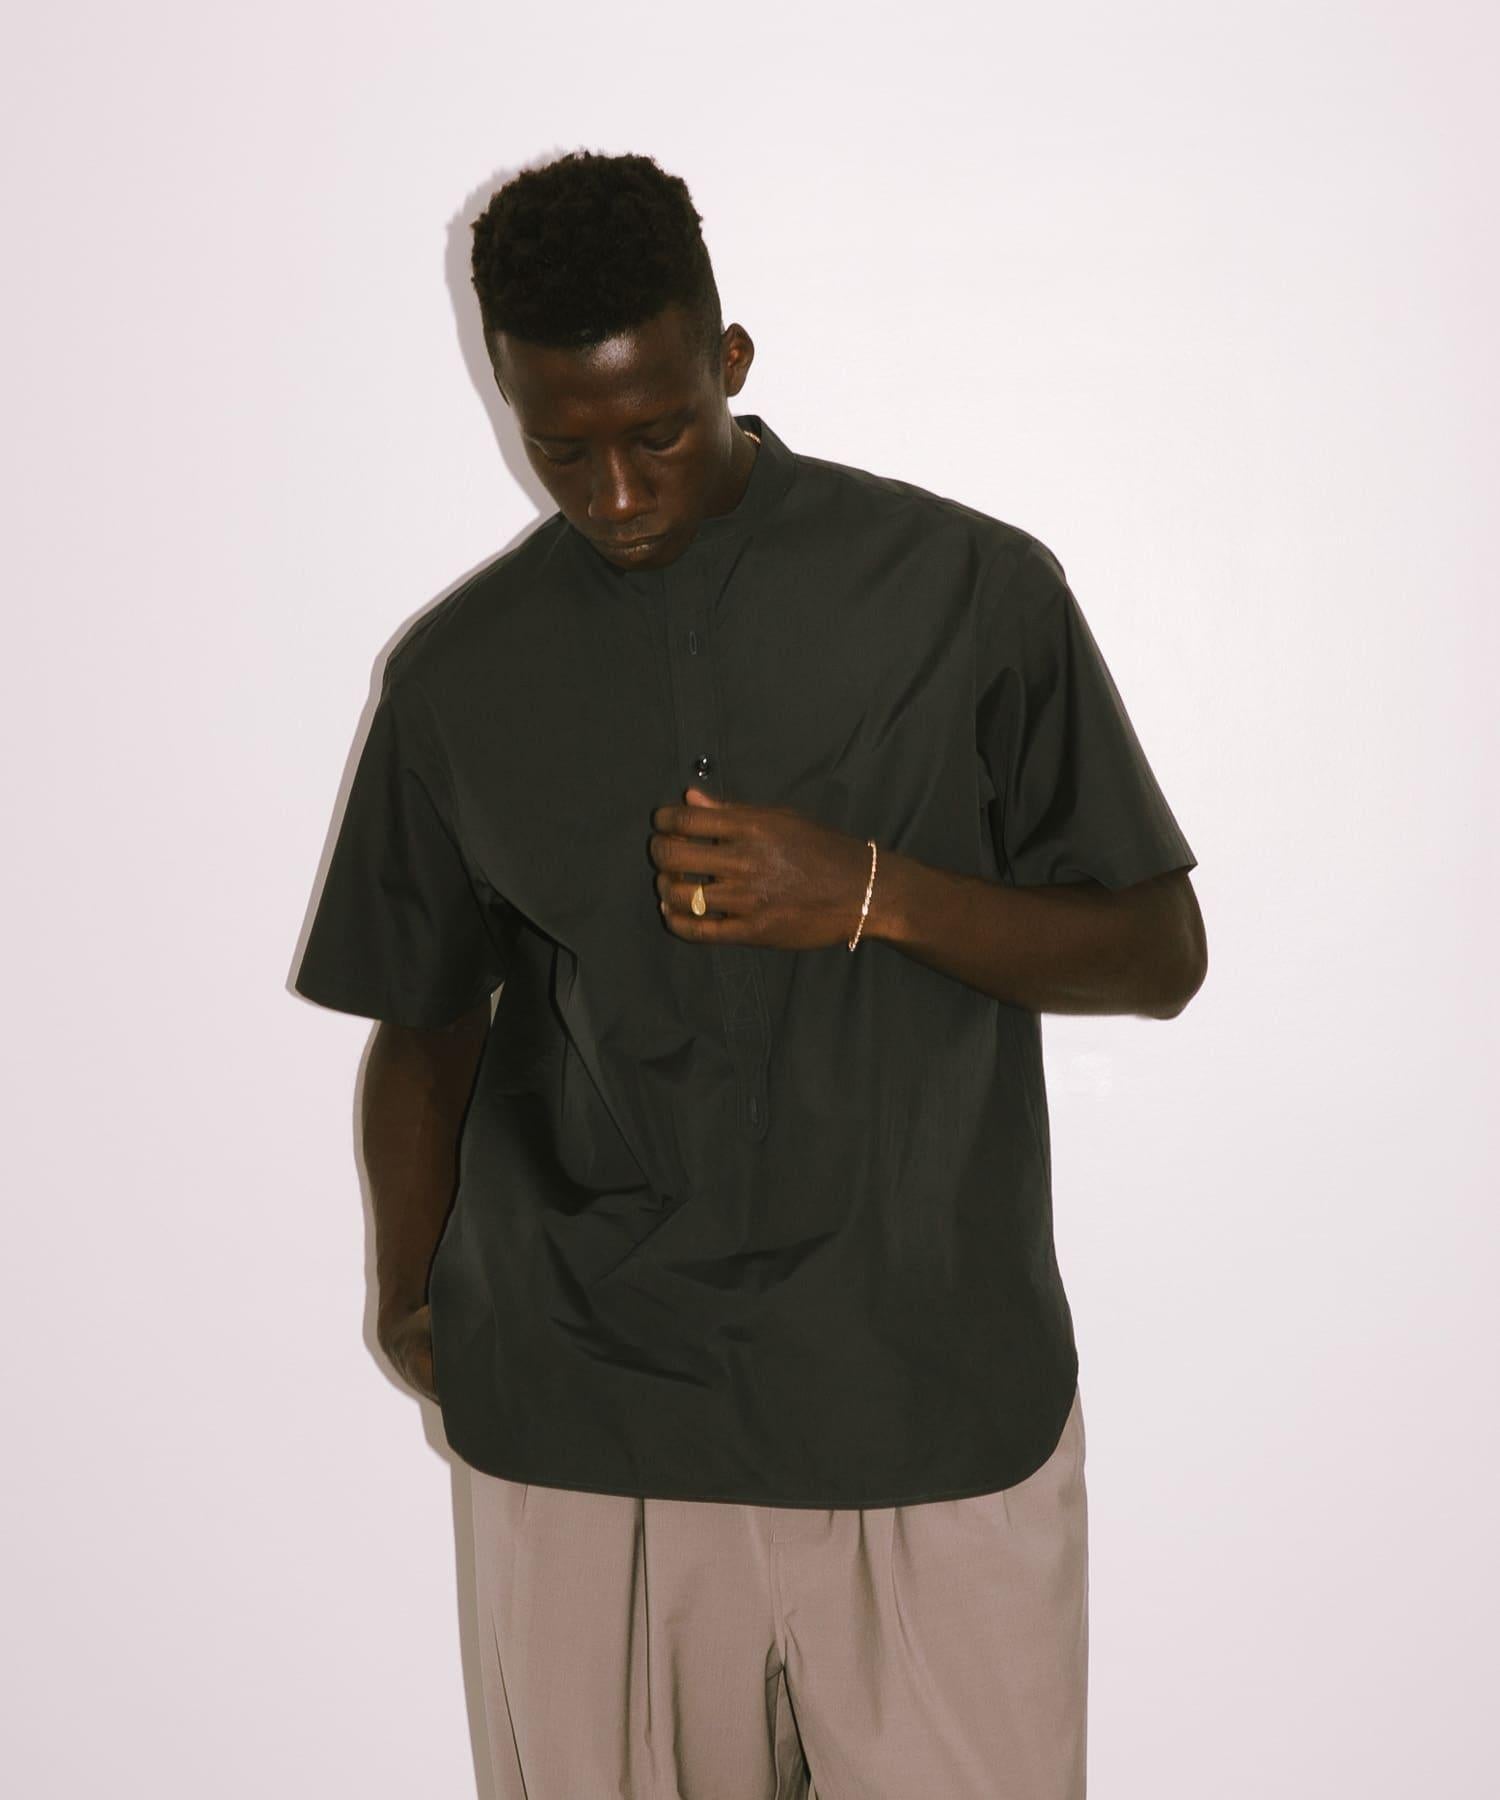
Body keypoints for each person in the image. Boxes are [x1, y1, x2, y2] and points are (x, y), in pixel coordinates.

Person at [292, 148, 1207, 1800]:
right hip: (586, 1423)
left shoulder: (968, 593)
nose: (614, 493)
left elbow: (1157, 953)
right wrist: (410, 1297)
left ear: (729, 359)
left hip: (928, 1401)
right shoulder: (457, 676)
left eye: (657, 434)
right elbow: (421, 1022)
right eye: (559, 447)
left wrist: (871, 892)